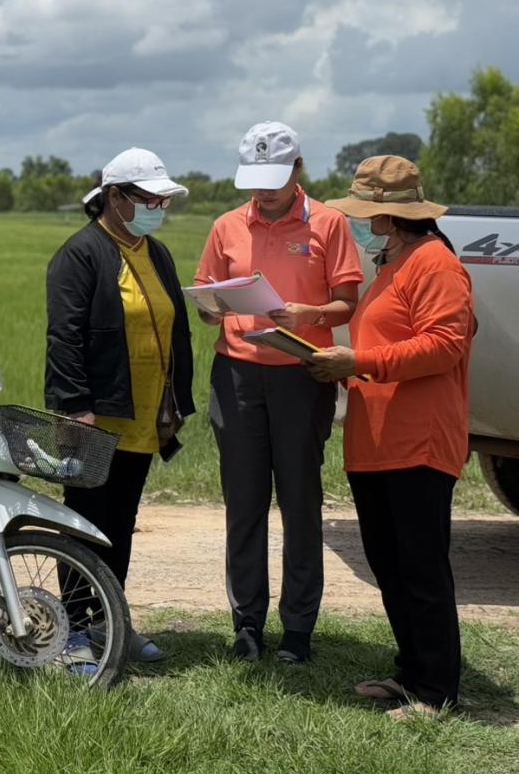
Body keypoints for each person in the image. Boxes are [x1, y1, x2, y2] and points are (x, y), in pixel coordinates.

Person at [194, 121, 364, 664]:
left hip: (300, 372)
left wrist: (310, 312)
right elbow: (205, 304)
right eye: (254, 180)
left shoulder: (330, 224)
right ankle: (247, 625)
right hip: (237, 374)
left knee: (299, 500)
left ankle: (297, 629)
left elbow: (347, 301)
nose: (262, 191)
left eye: (273, 178)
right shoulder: (226, 226)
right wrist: (214, 303)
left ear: (297, 169)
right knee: (244, 504)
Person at [310, 155, 473, 719]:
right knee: (390, 563)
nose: (359, 220)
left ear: (386, 214)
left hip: (419, 443)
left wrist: (360, 360)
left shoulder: (436, 264)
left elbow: (444, 345)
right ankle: (412, 672)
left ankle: (437, 691)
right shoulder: (395, 261)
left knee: (422, 567)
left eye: (365, 211)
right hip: (378, 444)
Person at [45, 147, 194, 668]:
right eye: (149, 198)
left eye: (163, 200)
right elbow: (63, 338)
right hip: (96, 418)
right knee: (86, 523)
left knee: (120, 522)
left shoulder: (156, 253)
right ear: (114, 197)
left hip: (143, 416)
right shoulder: (81, 253)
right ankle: (74, 631)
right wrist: (76, 408)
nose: (159, 207)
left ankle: (111, 620)